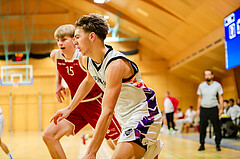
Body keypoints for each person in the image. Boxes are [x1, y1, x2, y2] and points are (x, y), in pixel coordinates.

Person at [51, 13, 163, 159]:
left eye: (77, 37)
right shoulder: (87, 60)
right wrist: (69, 108)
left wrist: (91, 152)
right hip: (124, 115)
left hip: (143, 113)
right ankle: (151, 149)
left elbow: (107, 112)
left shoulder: (115, 65)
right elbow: (88, 81)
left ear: (91, 37)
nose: (75, 42)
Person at [42, 24, 121, 159]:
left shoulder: (83, 57)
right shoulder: (55, 55)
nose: (60, 43)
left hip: (96, 103)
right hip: (77, 106)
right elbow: (58, 67)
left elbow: (90, 81)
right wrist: (58, 84)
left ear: (74, 40)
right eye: (58, 40)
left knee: (117, 142)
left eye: (64, 39)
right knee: (49, 136)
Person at [197, 69, 223, 151]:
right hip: (204, 109)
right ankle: (202, 144)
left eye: (209, 74)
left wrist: (221, 108)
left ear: (212, 76)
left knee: (217, 127)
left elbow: (220, 97)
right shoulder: (201, 85)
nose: (207, 76)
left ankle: (218, 144)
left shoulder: (217, 85)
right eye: (206, 75)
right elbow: (199, 98)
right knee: (202, 128)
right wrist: (198, 109)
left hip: (213, 108)